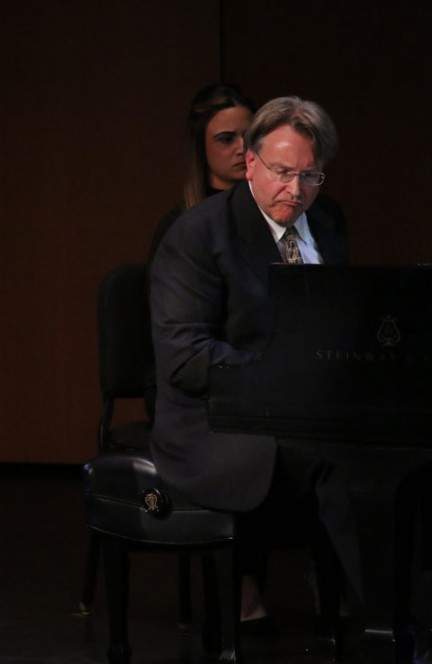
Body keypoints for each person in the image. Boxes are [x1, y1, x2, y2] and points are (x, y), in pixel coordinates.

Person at [148, 96, 362, 634]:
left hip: (309, 411)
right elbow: (186, 357)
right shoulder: (199, 235)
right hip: (218, 422)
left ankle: (397, 607)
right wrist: (289, 380)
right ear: (251, 164)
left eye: (311, 175)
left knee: (400, 448)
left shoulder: (328, 220)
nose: (296, 190)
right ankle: (380, 614)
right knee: (340, 461)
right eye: (283, 172)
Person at [148, 83, 256, 263]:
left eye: (250, 136)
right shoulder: (180, 225)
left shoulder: (276, 211)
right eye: (226, 139)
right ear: (200, 146)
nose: (242, 148)